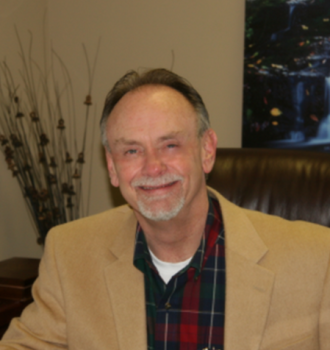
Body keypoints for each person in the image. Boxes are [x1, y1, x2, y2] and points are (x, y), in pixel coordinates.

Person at [1, 68, 330, 350]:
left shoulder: (316, 259)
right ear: (112, 168)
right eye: (131, 151)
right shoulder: (70, 253)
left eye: (170, 145)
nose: (153, 167)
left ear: (207, 150)